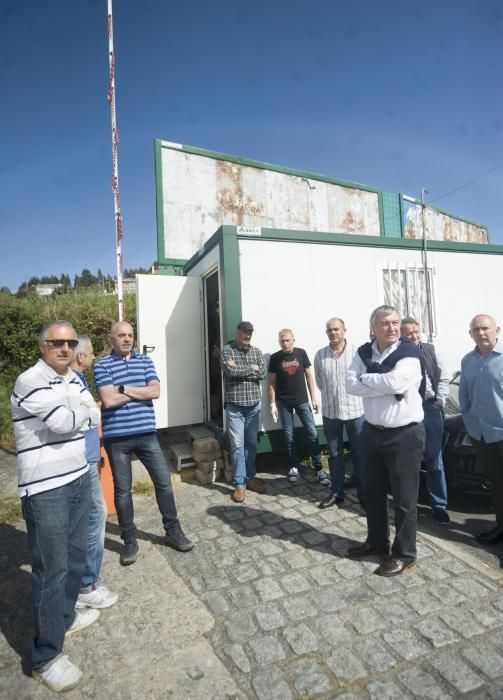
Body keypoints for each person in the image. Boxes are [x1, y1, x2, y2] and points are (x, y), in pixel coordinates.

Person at [11, 320, 101, 692]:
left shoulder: (70, 380)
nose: (65, 348)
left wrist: (83, 411)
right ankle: (45, 656)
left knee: (76, 558)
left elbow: (92, 416)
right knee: (51, 570)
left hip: (78, 475)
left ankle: (64, 617)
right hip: (46, 487)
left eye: (69, 343)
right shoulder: (29, 380)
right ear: (42, 346)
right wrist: (83, 411)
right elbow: (69, 422)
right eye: (56, 343)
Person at [93, 321, 194, 566]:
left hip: (147, 435)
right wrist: (138, 391)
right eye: (121, 335)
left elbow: (155, 392)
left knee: (164, 483)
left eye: (130, 335)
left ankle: (173, 531)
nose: (127, 339)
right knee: (122, 491)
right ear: (111, 338)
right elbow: (108, 400)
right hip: (117, 439)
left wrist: (123, 388)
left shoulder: (145, 361)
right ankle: (129, 540)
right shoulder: (101, 365)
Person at [346, 305, 425, 576]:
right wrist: (380, 381)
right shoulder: (363, 352)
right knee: (373, 493)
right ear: (373, 327)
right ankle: (377, 542)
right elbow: (349, 385)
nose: (392, 328)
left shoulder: (410, 353)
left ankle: (405, 554)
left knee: (404, 500)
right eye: (385, 323)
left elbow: (397, 383)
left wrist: (368, 379)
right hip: (372, 433)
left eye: (395, 322)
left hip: (404, 436)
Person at [69, 336, 119, 608]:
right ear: (81, 357)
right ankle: (86, 585)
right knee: (95, 515)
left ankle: (84, 581)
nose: (92, 358)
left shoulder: (79, 381)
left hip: (86, 457)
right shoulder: (72, 382)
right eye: (89, 354)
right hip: (82, 461)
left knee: (90, 515)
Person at [400, 317, 451, 524]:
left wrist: (440, 400)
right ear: (402, 335)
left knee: (435, 460)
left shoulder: (430, 349)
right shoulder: (399, 354)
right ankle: (408, 504)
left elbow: (444, 376)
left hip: (430, 409)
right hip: (409, 410)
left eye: (416, 331)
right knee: (409, 460)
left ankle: (439, 504)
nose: (413, 335)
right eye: (408, 333)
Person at [459, 314, 503, 544]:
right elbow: (464, 392)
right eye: (476, 329)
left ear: (498, 330)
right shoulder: (468, 361)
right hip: (481, 434)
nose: (481, 333)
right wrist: (468, 417)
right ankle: (501, 526)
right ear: (470, 334)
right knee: (496, 484)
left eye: (485, 328)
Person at [314, 317, 365, 508]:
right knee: (334, 455)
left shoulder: (356, 353)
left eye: (336, 329)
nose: (333, 333)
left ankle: (363, 494)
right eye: (329, 330)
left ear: (344, 330)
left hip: (356, 411)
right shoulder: (320, 355)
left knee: (360, 455)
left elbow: (363, 378)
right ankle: (336, 493)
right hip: (331, 412)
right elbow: (320, 382)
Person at [268, 328, 330, 485]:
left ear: (293, 340)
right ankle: (293, 466)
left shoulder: (301, 353)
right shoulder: (275, 358)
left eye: (288, 340)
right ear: (279, 341)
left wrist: (314, 398)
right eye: (282, 340)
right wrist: (272, 403)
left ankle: (318, 468)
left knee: (312, 432)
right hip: (283, 402)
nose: (285, 343)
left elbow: (309, 375)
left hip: (302, 401)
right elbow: (271, 383)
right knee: (289, 435)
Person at [220, 321, 267, 503]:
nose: (247, 335)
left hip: (253, 406)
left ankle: (250, 478)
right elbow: (229, 370)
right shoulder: (227, 350)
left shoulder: (257, 352)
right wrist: (251, 368)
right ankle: (239, 484)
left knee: (251, 444)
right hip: (236, 407)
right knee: (237, 445)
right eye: (244, 332)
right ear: (237, 332)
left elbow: (262, 373)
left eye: (250, 332)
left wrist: (244, 370)